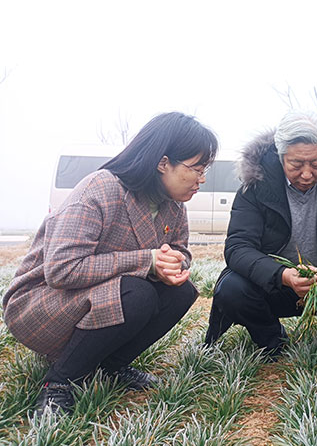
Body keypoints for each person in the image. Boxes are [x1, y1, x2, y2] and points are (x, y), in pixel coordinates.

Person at [2, 112, 218, 417]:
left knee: (181, 292)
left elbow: (181, 251)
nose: (203, 178)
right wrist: (148, 261)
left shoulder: (174, 206)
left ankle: (110, 365)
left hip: (98, 295)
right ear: (162, 163)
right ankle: (60, 383)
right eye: (196, 168)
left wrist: (174, 264)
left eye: (204, 169)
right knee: (137, 294)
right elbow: (61, 269)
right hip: (41, 302)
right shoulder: (100, 189)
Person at [205, 110, 317, 356]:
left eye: (316, 163)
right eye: (296, 164)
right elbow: (238, 247)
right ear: (281, 157)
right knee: (231, 288)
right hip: (274, 284)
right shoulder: (256, 184)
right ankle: (271, 339)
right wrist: (283, 275)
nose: (307, 173)